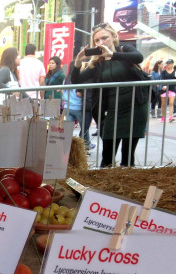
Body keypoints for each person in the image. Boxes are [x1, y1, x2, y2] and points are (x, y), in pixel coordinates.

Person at [71, 22, 149, 167]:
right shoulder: (97, 62)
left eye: (104, 38)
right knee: (107, 154)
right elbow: (76, 80)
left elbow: (139, 57)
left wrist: (112, 55)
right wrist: (77, 62)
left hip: (135, 107)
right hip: (112, 111)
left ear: (113, 36)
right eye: (97, 40)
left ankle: (126, 186)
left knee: (128, 154)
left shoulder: (124, 50)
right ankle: (101, 188)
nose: (101, 42)